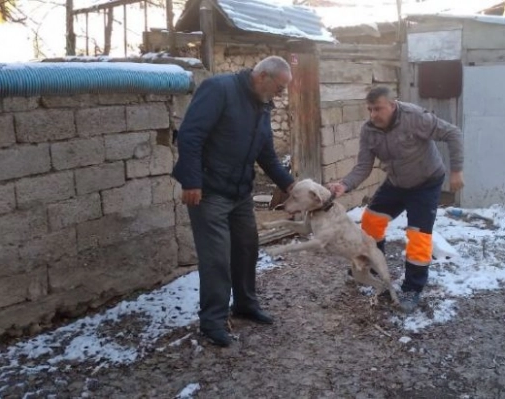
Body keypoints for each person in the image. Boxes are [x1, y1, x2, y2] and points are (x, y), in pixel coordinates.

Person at [172, 56, 295, 347]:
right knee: (216, 258)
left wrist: (291, 185)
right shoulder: (219, 89)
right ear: (263, 76)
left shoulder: (262, 105)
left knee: (246, 248)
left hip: (240, 193)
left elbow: (266, 154)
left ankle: (244, 304)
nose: (279, 95)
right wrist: (191, 181)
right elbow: (190, 135)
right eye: (279, 88)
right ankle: (212, 321)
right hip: (209, 190)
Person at [328, 87, 464, 313]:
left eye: (378, 109)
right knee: (371, 220)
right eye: (370, 109)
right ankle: (370, 266)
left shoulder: (414, 118)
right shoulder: (369, 131)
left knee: (418, 236)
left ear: (393, 105)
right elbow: (363, 166)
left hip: (426, 182)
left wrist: (456, 170)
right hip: (396, 183)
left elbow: (453, 133)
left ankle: (412, 289)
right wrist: (344, 185)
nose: (373, 115)